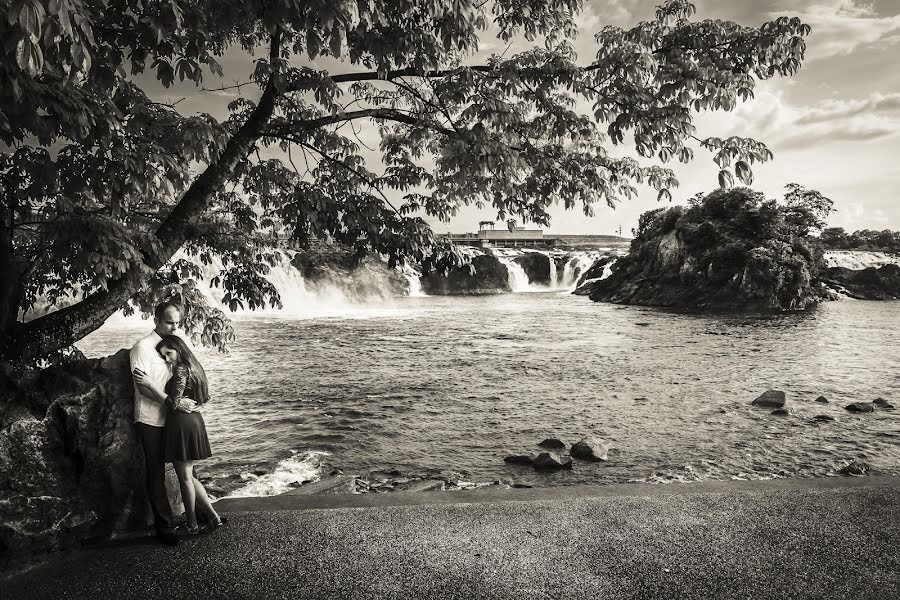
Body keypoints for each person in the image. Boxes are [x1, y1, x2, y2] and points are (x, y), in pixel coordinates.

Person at [133, 334, 226, 535]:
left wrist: (150, 384)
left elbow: (173, 403)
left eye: (169, 353)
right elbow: (204, 397)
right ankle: (213, 517)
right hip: (193, 421)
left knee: (184, 477)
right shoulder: (195, 366)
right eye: (163, 356)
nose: (167, 359)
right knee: (189, 476)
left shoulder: (182, 369)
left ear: (178, 348)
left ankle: (192, 525)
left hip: (181, 423)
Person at [130, 301, 194, 545]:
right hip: (149, 420)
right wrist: (176, 404)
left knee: (186, 469)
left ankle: (199, 514)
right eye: (169, 322)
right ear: (155, 320)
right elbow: (143, 390)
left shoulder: (173, 346)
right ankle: (165, 527)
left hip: (173, 419)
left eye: (177, 323)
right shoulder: (142, 348)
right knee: (155, 472)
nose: (174, 327)